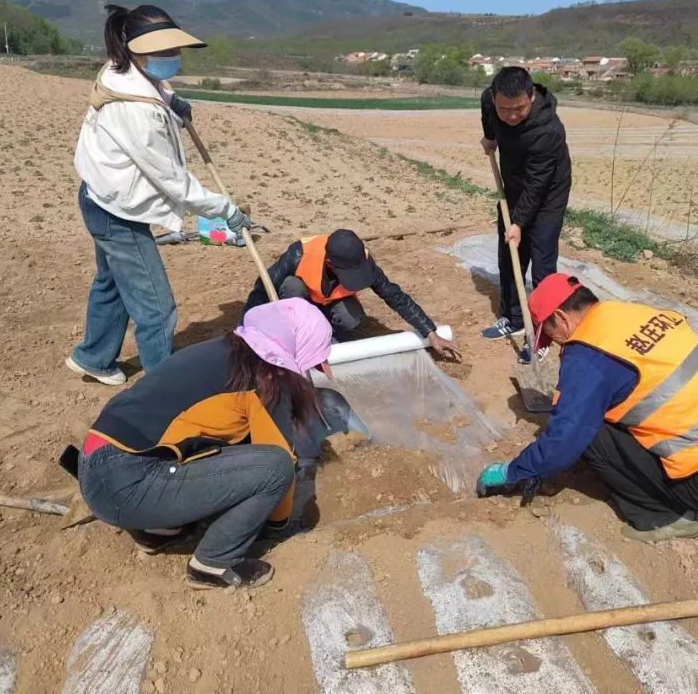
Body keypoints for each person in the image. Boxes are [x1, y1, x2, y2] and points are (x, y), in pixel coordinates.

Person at [476, 274, 698, 543]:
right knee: (607, 406)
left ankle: (667, 515)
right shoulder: (632, 312)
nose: (554, 344)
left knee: (587, 432)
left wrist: (512, 472)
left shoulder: (587, 357)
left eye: (550, 334)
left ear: (561, 317)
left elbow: (563, 442)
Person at [77, 298, 332, 589]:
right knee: (276, 466)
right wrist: (276, 523)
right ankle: (213, 562)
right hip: (125, 483)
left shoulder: (225, 351)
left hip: (97, 465)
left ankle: (156, 529)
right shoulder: (264, 379)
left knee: (231, 448)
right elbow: (279, 460)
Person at [67, 3, 255, 385]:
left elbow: (155, 89)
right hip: (116, 212)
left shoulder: (124, 69)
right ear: (136, 49)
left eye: (175, 49)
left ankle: (94, 357)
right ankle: (163, 389)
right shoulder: (135, 111)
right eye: (164, 51)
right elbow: (175, 183)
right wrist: (227, 212)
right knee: (157, 307)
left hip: (101, 196)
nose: (172, 58)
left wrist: (173, 102)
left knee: (113, 283)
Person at [243, 229, 460, 358]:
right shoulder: (299, 253)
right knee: (291, 286)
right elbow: (263, 287)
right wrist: (247, 332)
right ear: (330, 263)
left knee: (351, 317)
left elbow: (395, 296)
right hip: (302, 302)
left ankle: (334, 340)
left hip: (330, 305)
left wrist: (429, 332)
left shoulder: (363, 259)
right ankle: (300, 337)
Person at [479, 66, 572, 362]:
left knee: (542, 261)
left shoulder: (548, 130)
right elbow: (487, 113)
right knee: (509, 255)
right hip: (514, 184)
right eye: (504, 109)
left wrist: (519, 223)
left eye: (518, 109)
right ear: (495, 98)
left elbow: (538, 185)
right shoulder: (490, 101)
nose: (511, 115)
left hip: (547, 193)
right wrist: (490, 137)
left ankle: (543, 333)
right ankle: (514, 319)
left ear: (531, 97)